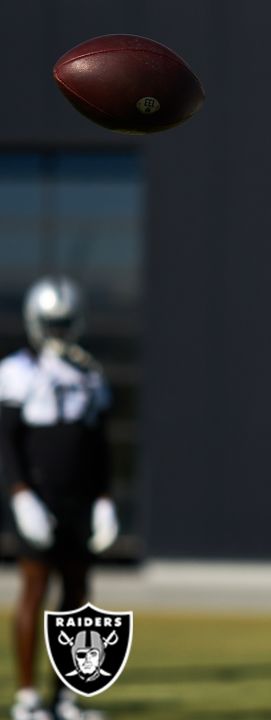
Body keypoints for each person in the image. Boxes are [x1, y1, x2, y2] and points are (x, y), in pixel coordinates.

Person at [1, 276, 117, 720]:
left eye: (65, 323)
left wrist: (105, 499)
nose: (59, 332)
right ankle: (28, 698)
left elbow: (99, 444)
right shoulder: (16, 370)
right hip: (38, 495)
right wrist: (21, 494)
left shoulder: (90, 373)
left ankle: (66, 697)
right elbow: (7, 441)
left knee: (77, 596)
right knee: (34, 587)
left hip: (79, 499)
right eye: (52, 323)